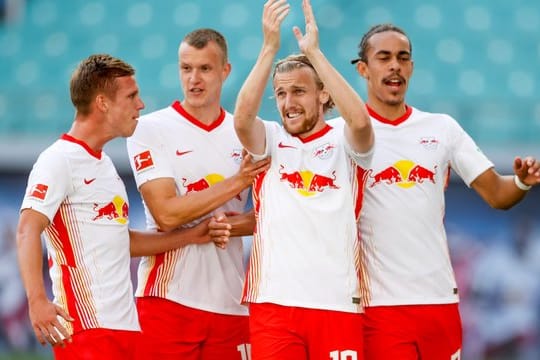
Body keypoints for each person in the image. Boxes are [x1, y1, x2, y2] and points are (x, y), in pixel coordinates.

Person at [348, 23, 540, 359]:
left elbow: (497, 194)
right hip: (378, 305)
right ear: (363, 69)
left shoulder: (442, 128)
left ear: (411, 67)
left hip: (439, 302)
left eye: (403, 58)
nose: (395, 65)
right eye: (384, 57)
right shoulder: (342, 135)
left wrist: (522, 181)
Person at [16, 54, 218, 359]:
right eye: (132, 96)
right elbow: (27, 230)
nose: (141, 105)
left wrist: (191, 236)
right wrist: (37, 301)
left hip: (127, 330)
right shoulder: (58, 160)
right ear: (102, 103)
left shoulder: (105, 165)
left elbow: (122, 241)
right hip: (86, 331)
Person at [232, 0, 374, 358]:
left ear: (323, 93)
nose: (288, 102)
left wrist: (313, 52)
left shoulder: (345, 137)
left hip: (338, 302)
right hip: (274, 303)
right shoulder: (272, 140)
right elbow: (242, 118)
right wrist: (269, 48)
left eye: (298, 91)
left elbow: (360, 122)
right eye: (280, 93)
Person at [125, 28, 270, 360]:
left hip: (231, 303)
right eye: (186, 68)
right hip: (167, 300)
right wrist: (237, 182)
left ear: (225, 71)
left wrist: (230, 227)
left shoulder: (247, 132)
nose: (194, 79)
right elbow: (167, 214)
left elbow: (269, 216)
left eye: (204, 68)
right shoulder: (150, 128)